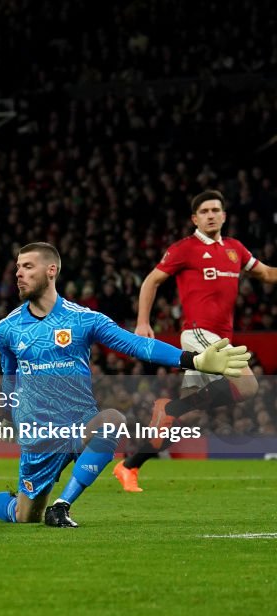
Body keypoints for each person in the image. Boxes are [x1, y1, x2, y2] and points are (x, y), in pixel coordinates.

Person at [0, 242, 250, 527]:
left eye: (27, 266)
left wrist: (195, 361)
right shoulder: (7, 328)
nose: (18, 274)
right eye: (17, 268)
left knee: (112, 421)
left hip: (80, 422)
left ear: (51, 270)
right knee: (24, 516)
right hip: (39, 434)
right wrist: (6, 415)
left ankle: (61, 507)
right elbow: (10, 378)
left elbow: (136, 344)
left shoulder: (83, 319)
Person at [114, 190, 277, 492]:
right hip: (199, 333)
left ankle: (129, 465)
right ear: (195, 218)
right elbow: (152, 280)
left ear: (225, 215)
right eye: (204, 211)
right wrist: (143, 322)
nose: (211, 215)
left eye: (216, 210)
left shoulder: (235, 249)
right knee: (249, 384)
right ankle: (169, 409)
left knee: (180, 414)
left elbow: (267, 274)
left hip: (219, 336)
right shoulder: (184, 249)